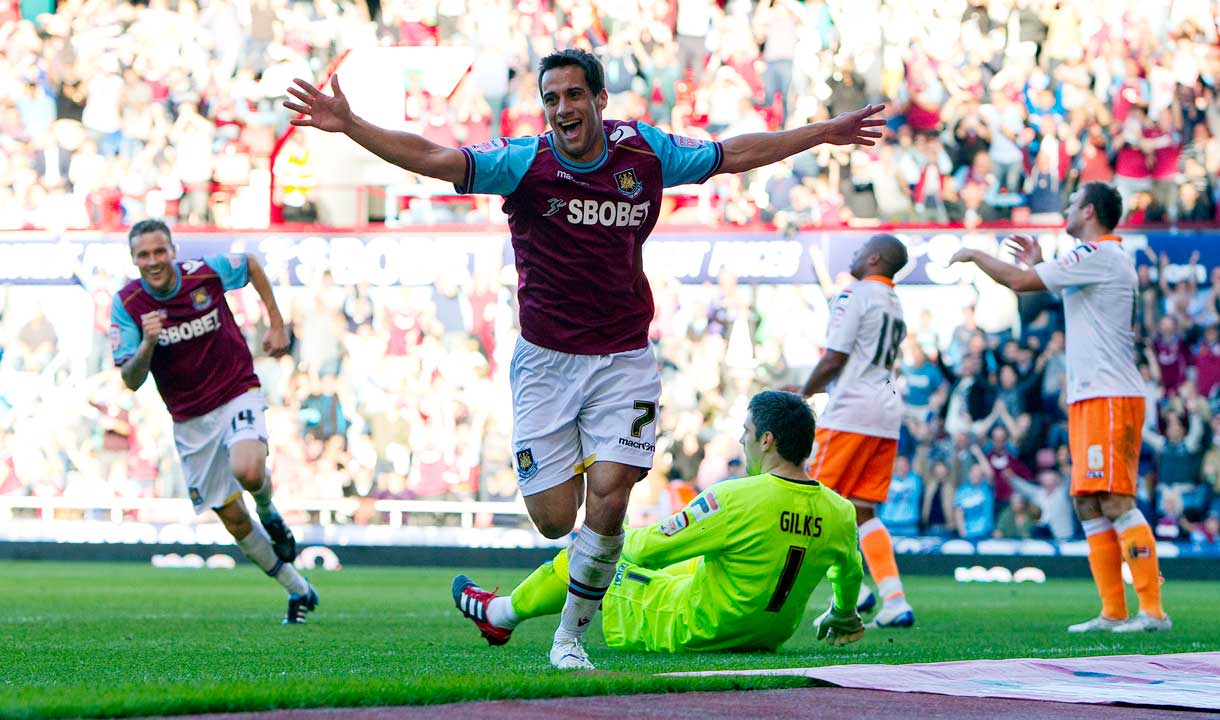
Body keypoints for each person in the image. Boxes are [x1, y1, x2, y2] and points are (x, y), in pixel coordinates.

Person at [284, 49, 883, 668]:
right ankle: (544, 593)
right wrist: (352, 125)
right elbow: (436, 159)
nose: (562, 109)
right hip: (545, 361)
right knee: (553, 519)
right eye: (551, 99)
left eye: (573, 95)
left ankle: (567, 639)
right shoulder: (524, 162)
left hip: (624, 357)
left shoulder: (646, 152)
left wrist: (827, 134)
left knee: (612, 492)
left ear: (599, 100)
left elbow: (734, 153)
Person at [451, 391, 866, 655]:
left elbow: (648, 549)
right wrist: (842, 613)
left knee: (593, 553)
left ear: (767, 440)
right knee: (693, 563)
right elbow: (848, 573)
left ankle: (499, 613)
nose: (741, 440)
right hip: (768, 634)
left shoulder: (737, 496)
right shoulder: (840, 511)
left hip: (694, 628)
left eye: (746, 431)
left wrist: (600, 535)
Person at [950, 182, 1170, 633]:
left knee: (1115, 498)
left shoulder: (1101, 254)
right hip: (1091, 397)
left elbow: (1017, 282)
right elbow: (1047, 284)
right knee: (1088, 502)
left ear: (1089, 210)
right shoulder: (1098, 260)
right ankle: (1113, 612)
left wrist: (976, 254)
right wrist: (1037, 264)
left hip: (1111, 397)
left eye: (1072, 204)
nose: (1065, 211)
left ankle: (1152, 611)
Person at [110, 219, 318, 624]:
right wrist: (150, 341)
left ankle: (269, 509)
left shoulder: (204, 273)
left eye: (158, 251)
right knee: (233, 519)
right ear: (133, 259)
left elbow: (252, 264)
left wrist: (276, 324)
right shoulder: (128, 303)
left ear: (172, 250)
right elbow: (131, 380)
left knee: (248, 469)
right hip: (189, 419)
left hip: (236, 390)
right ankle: (299, 589)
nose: (152, 261)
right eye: (143, 255)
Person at [796, 234, 915, 629]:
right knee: (862, 510)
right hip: (885, 411)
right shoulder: (894, 302)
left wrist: (802, 393)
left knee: (811, 503)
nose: (855, 253)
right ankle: (892, 598)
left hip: (850, 411)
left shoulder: (855, 294)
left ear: (875, 258)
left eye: (862, 249)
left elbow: (835, 356)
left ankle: (850, 595)